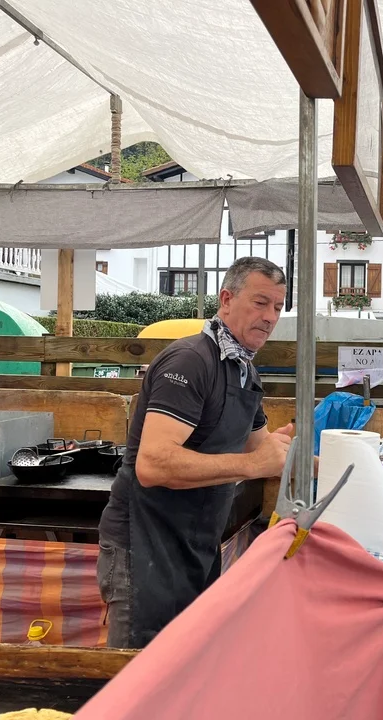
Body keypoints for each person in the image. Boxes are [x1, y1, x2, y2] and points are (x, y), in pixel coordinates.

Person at [96, 257, 292, 649]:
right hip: (145, 545)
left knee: (184, 664)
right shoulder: (190, 362)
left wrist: (339, 463)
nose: (270, 317)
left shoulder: (244, 371)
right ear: (226, 300)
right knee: (140, 671)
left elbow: (263, 448)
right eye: (260, 303)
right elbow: (153, 464)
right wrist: (253, 464)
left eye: (278, 307)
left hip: (196, 544)